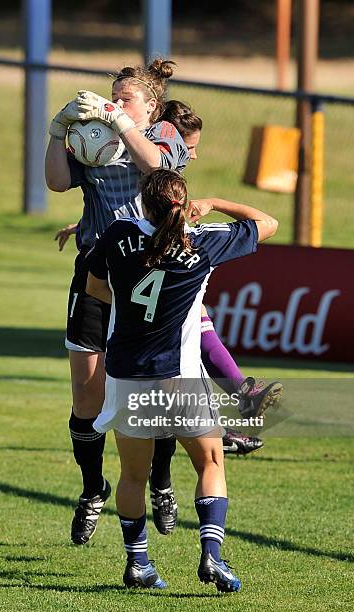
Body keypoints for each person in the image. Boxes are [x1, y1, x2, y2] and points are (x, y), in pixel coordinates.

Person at [85, 168, 278, 590]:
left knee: (133, 476)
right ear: (182, 204)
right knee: (209, 462)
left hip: (126, 374)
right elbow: (268, 223)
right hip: (179, 377)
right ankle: (211, 556)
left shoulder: (118, 235)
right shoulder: (202, 244)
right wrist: (213, 202)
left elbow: (95, 288)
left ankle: (138, 564)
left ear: (143, 204)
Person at [46, 59, 192, 546]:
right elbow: (57, 183)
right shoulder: (96, 139)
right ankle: (92, 489)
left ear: (150, 108)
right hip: (95, 270)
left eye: (126, 98)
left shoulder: (164, 135)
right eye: (113, 96)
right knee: (87, 395)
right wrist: (58, 132)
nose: (113, 104)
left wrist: (121, 118)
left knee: (156, 395)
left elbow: (158, 169)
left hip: (149, 277)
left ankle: (162, 482)